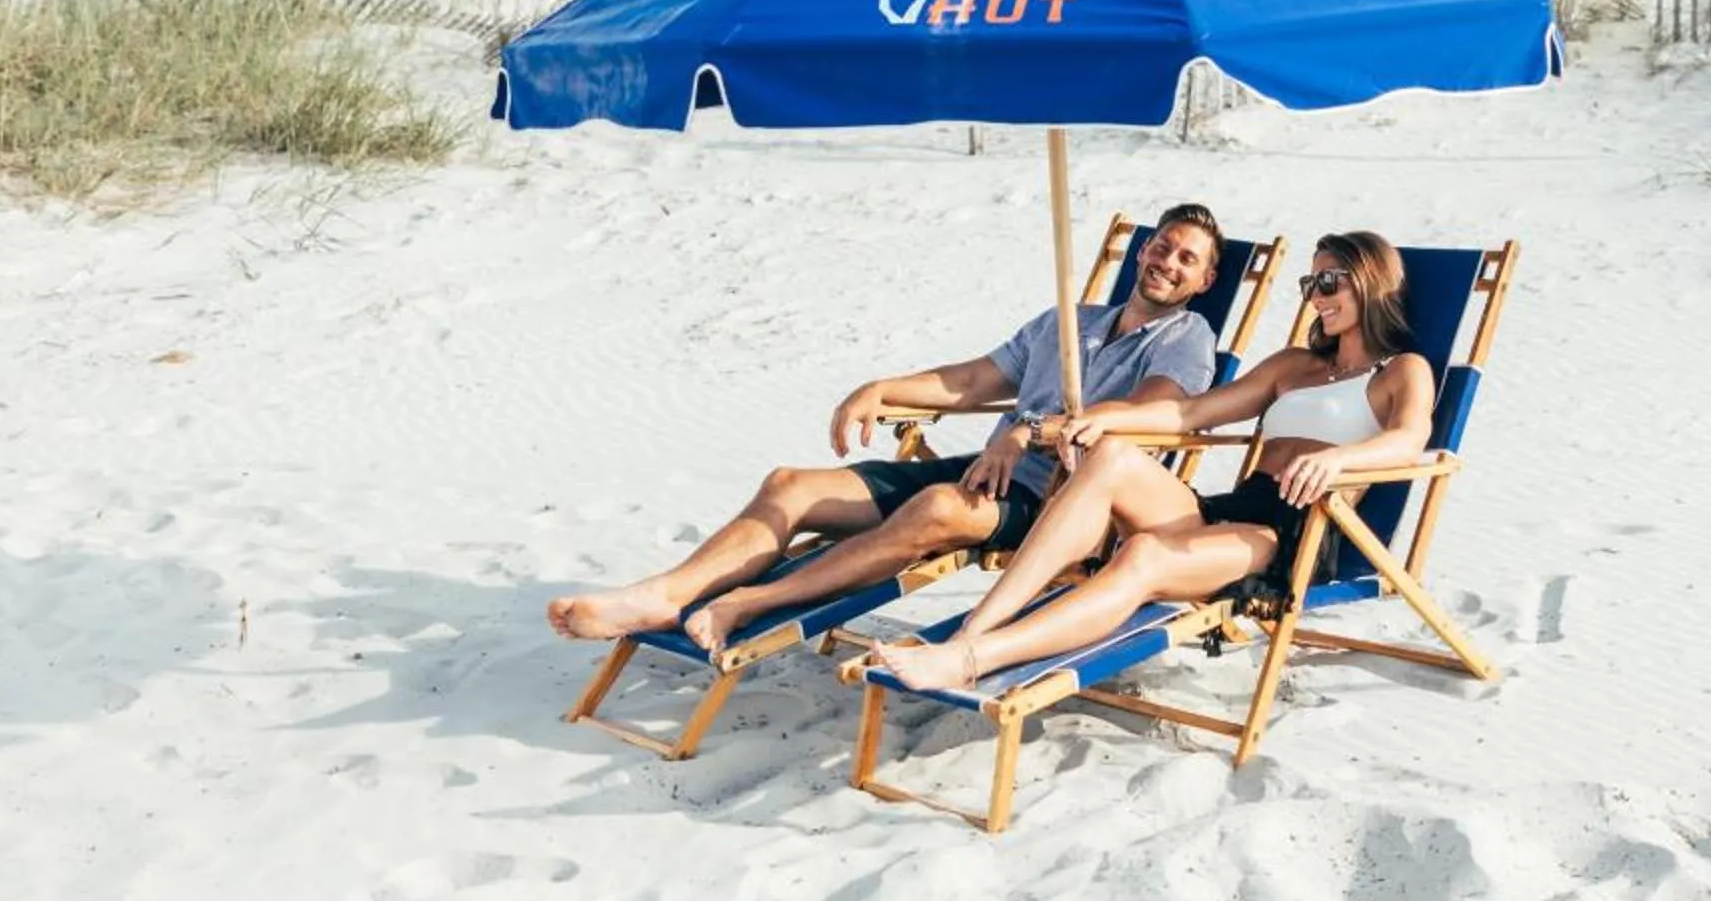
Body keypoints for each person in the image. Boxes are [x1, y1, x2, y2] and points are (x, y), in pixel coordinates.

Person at [544, 204, 1229, 651]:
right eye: (1161, 248)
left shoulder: (1187, 336)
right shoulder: (1068, 323)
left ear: (1205, 280)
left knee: (934, 507)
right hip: (987, 472)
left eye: (1186, 259)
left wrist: (1025, 432)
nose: (1167, 263)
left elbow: (1148, 416)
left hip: (1059, 502)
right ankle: (666, 595)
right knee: (791, 486)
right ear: (1140, 253)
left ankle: (752, 600)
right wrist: (881, 389)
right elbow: (972, 380)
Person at [874, 231, 1430, 693]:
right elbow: (1189, 414)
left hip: (1289, 533)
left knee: (1141, 554)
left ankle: (974, 659)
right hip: (1233, 509)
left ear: (1370, 282)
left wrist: (1342, 462)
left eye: (1329, 281)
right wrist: (1106, 421)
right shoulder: (1294, 364)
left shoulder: (1402, 370)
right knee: (1112, 454)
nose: (1316, 295)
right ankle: (976, 628)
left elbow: (1410, 440)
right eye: (1311, 283)